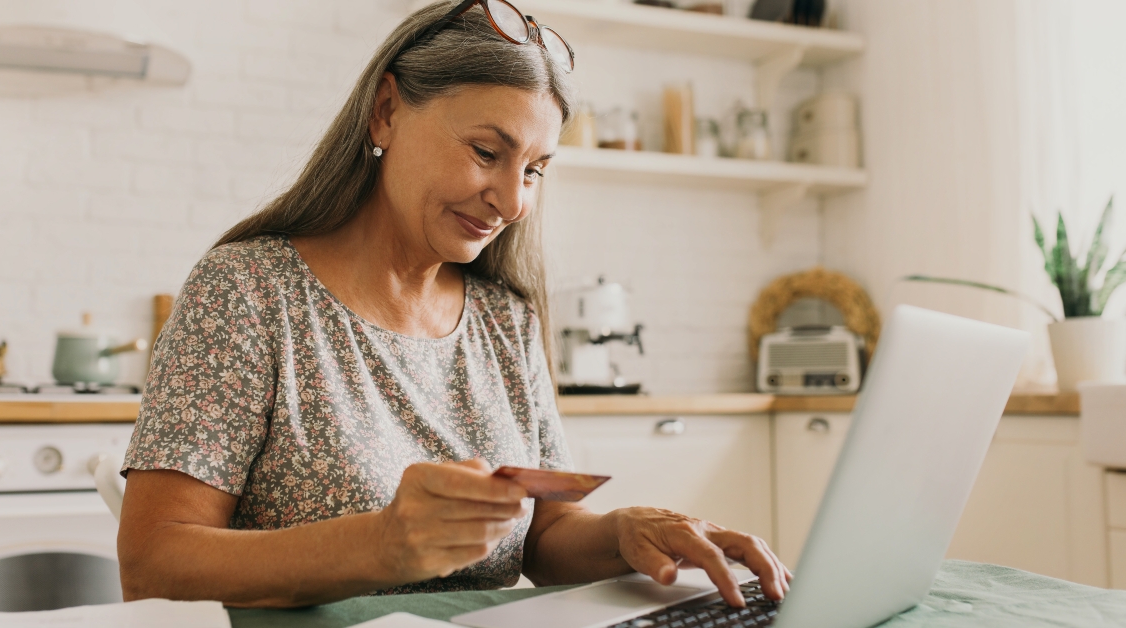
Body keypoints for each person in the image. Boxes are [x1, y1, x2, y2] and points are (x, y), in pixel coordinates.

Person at [117, 0, 791, 609]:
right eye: (486, 152)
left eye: (534, 170)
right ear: (386, 111)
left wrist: (627, 533)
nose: (514, 201)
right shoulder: (248, 292)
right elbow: (152, 565)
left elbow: (543, 534)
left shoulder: (505, 319)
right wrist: (381, 545)